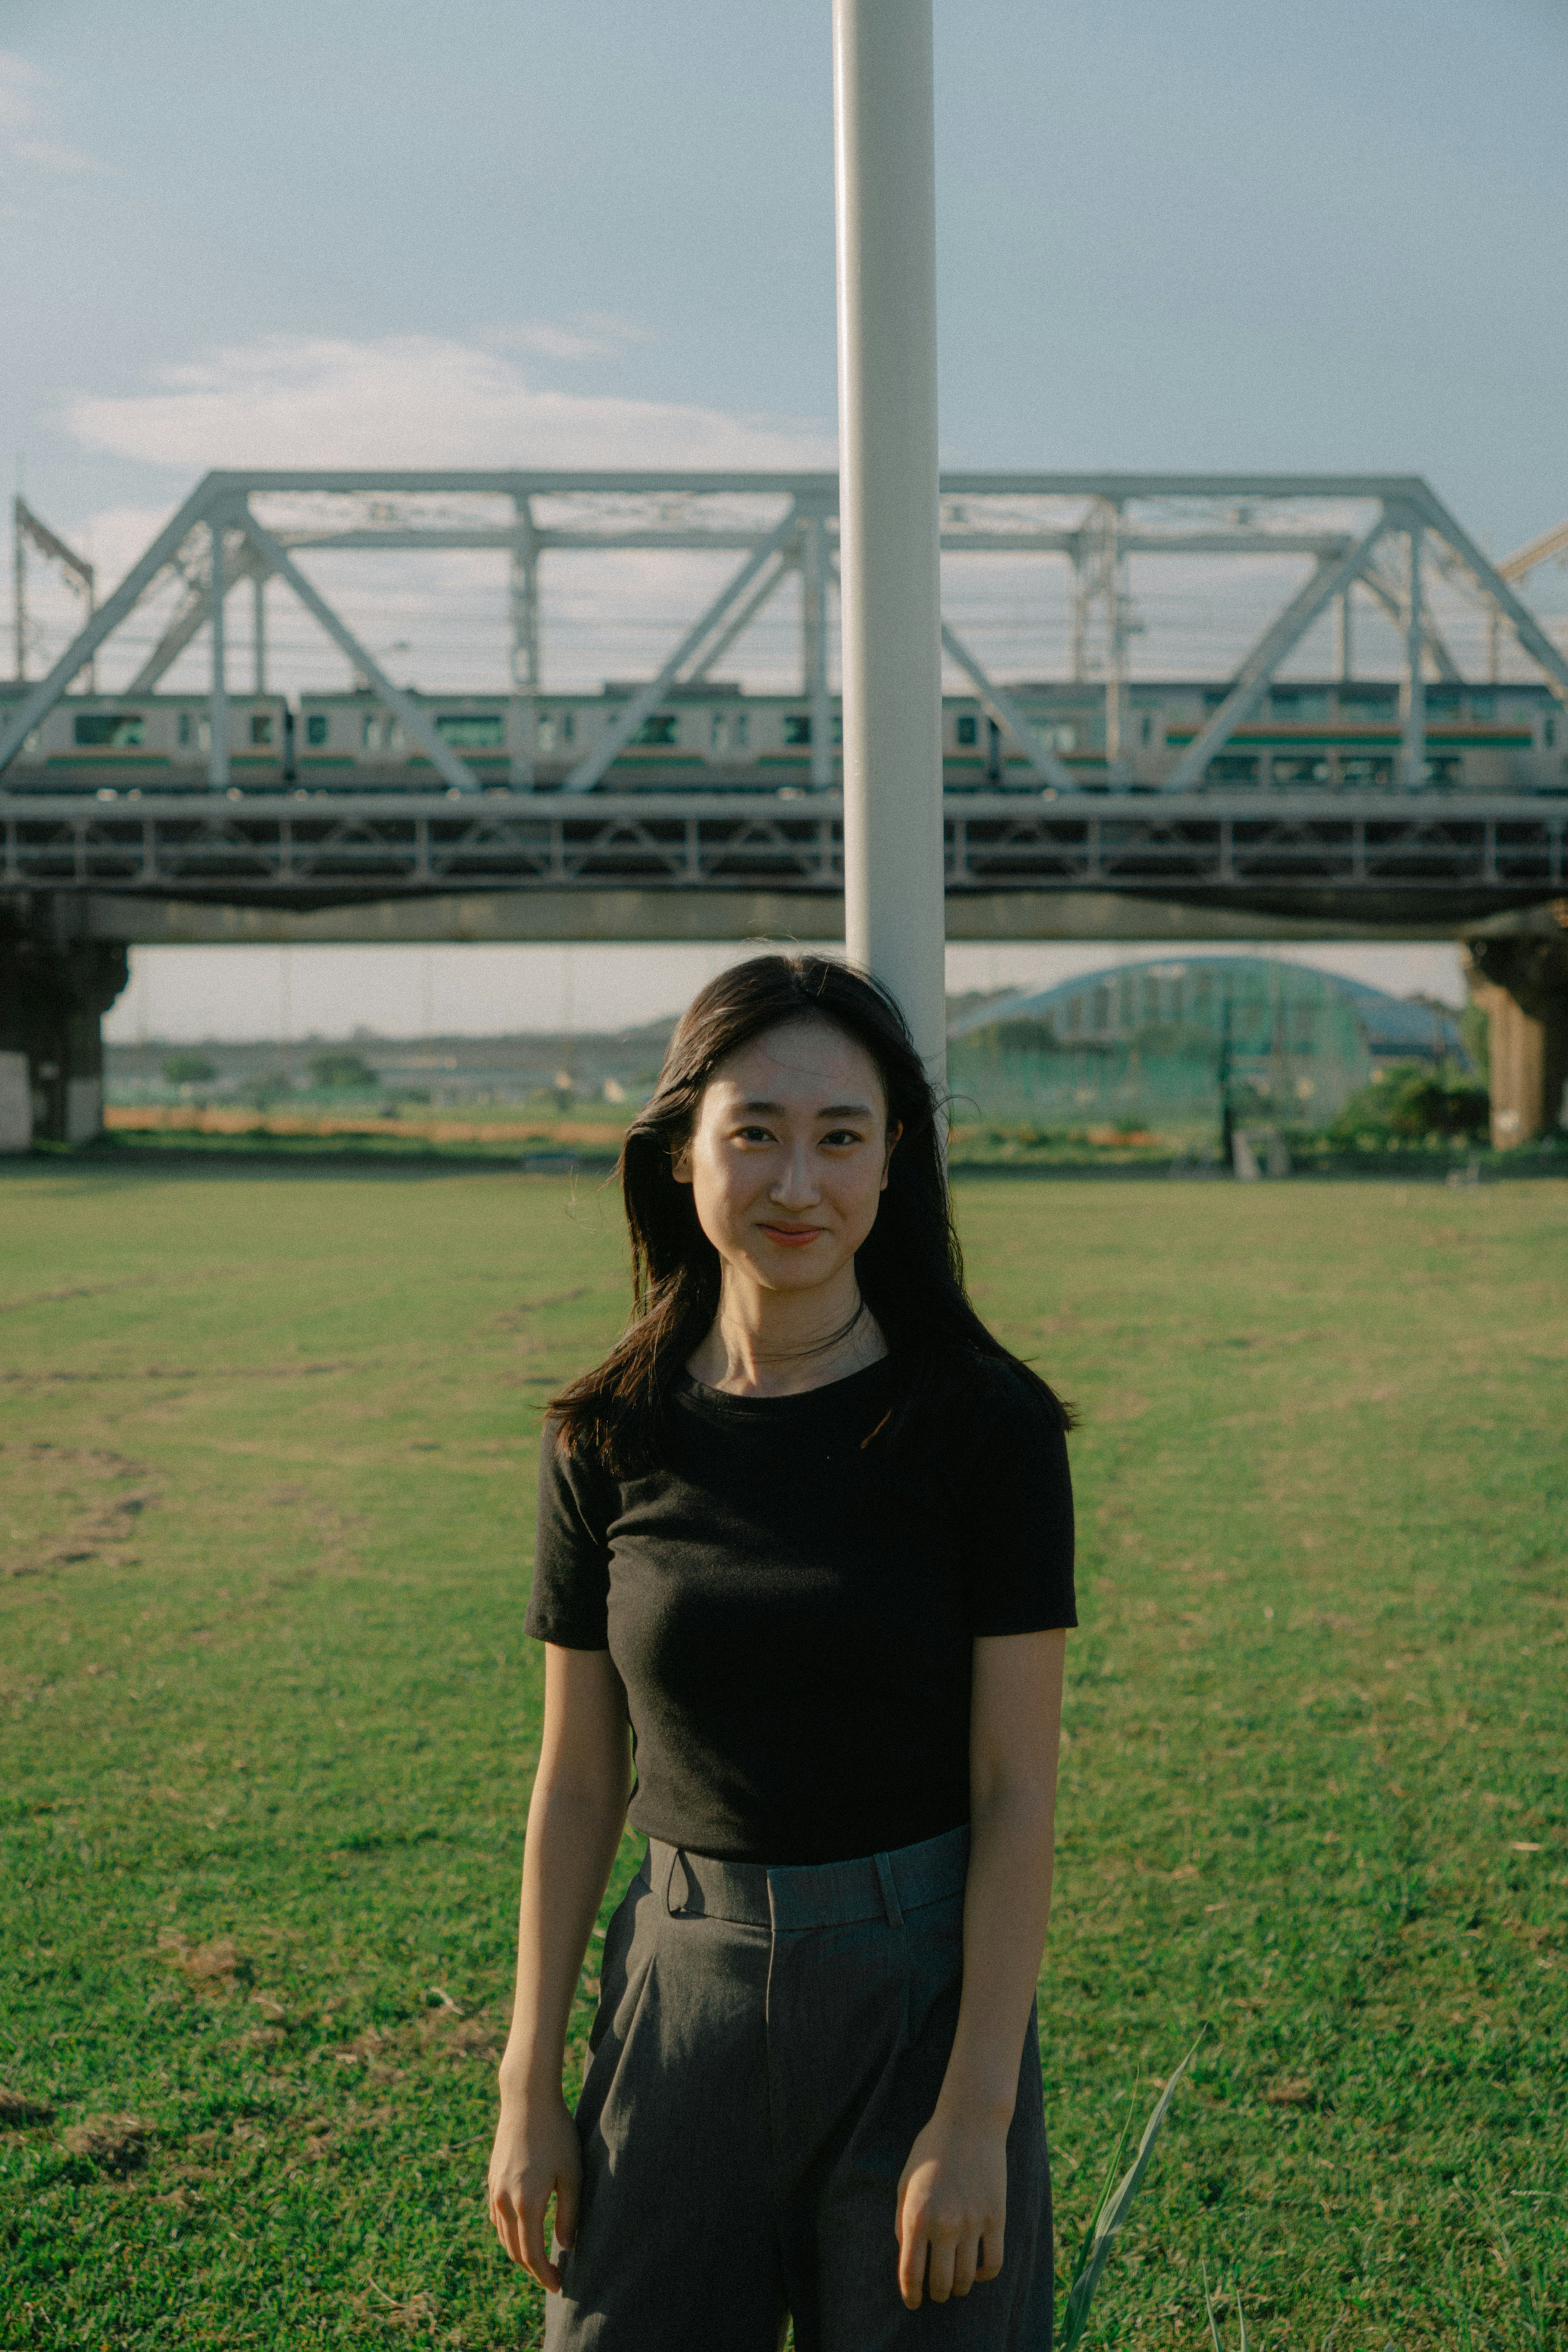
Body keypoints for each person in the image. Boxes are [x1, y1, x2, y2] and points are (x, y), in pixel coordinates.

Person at [488, 953, 1076, 2350]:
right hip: (674, 1997)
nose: (795, 1183)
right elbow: (577, 1783)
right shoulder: (603, 1437)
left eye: (841, 1137)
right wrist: (528, 2084)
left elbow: (1017, 1790)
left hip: (917, 2003)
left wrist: (978, 2112)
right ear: (684, 1153)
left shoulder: (987, 1431)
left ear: (894, 1164)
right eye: (753, 1132)